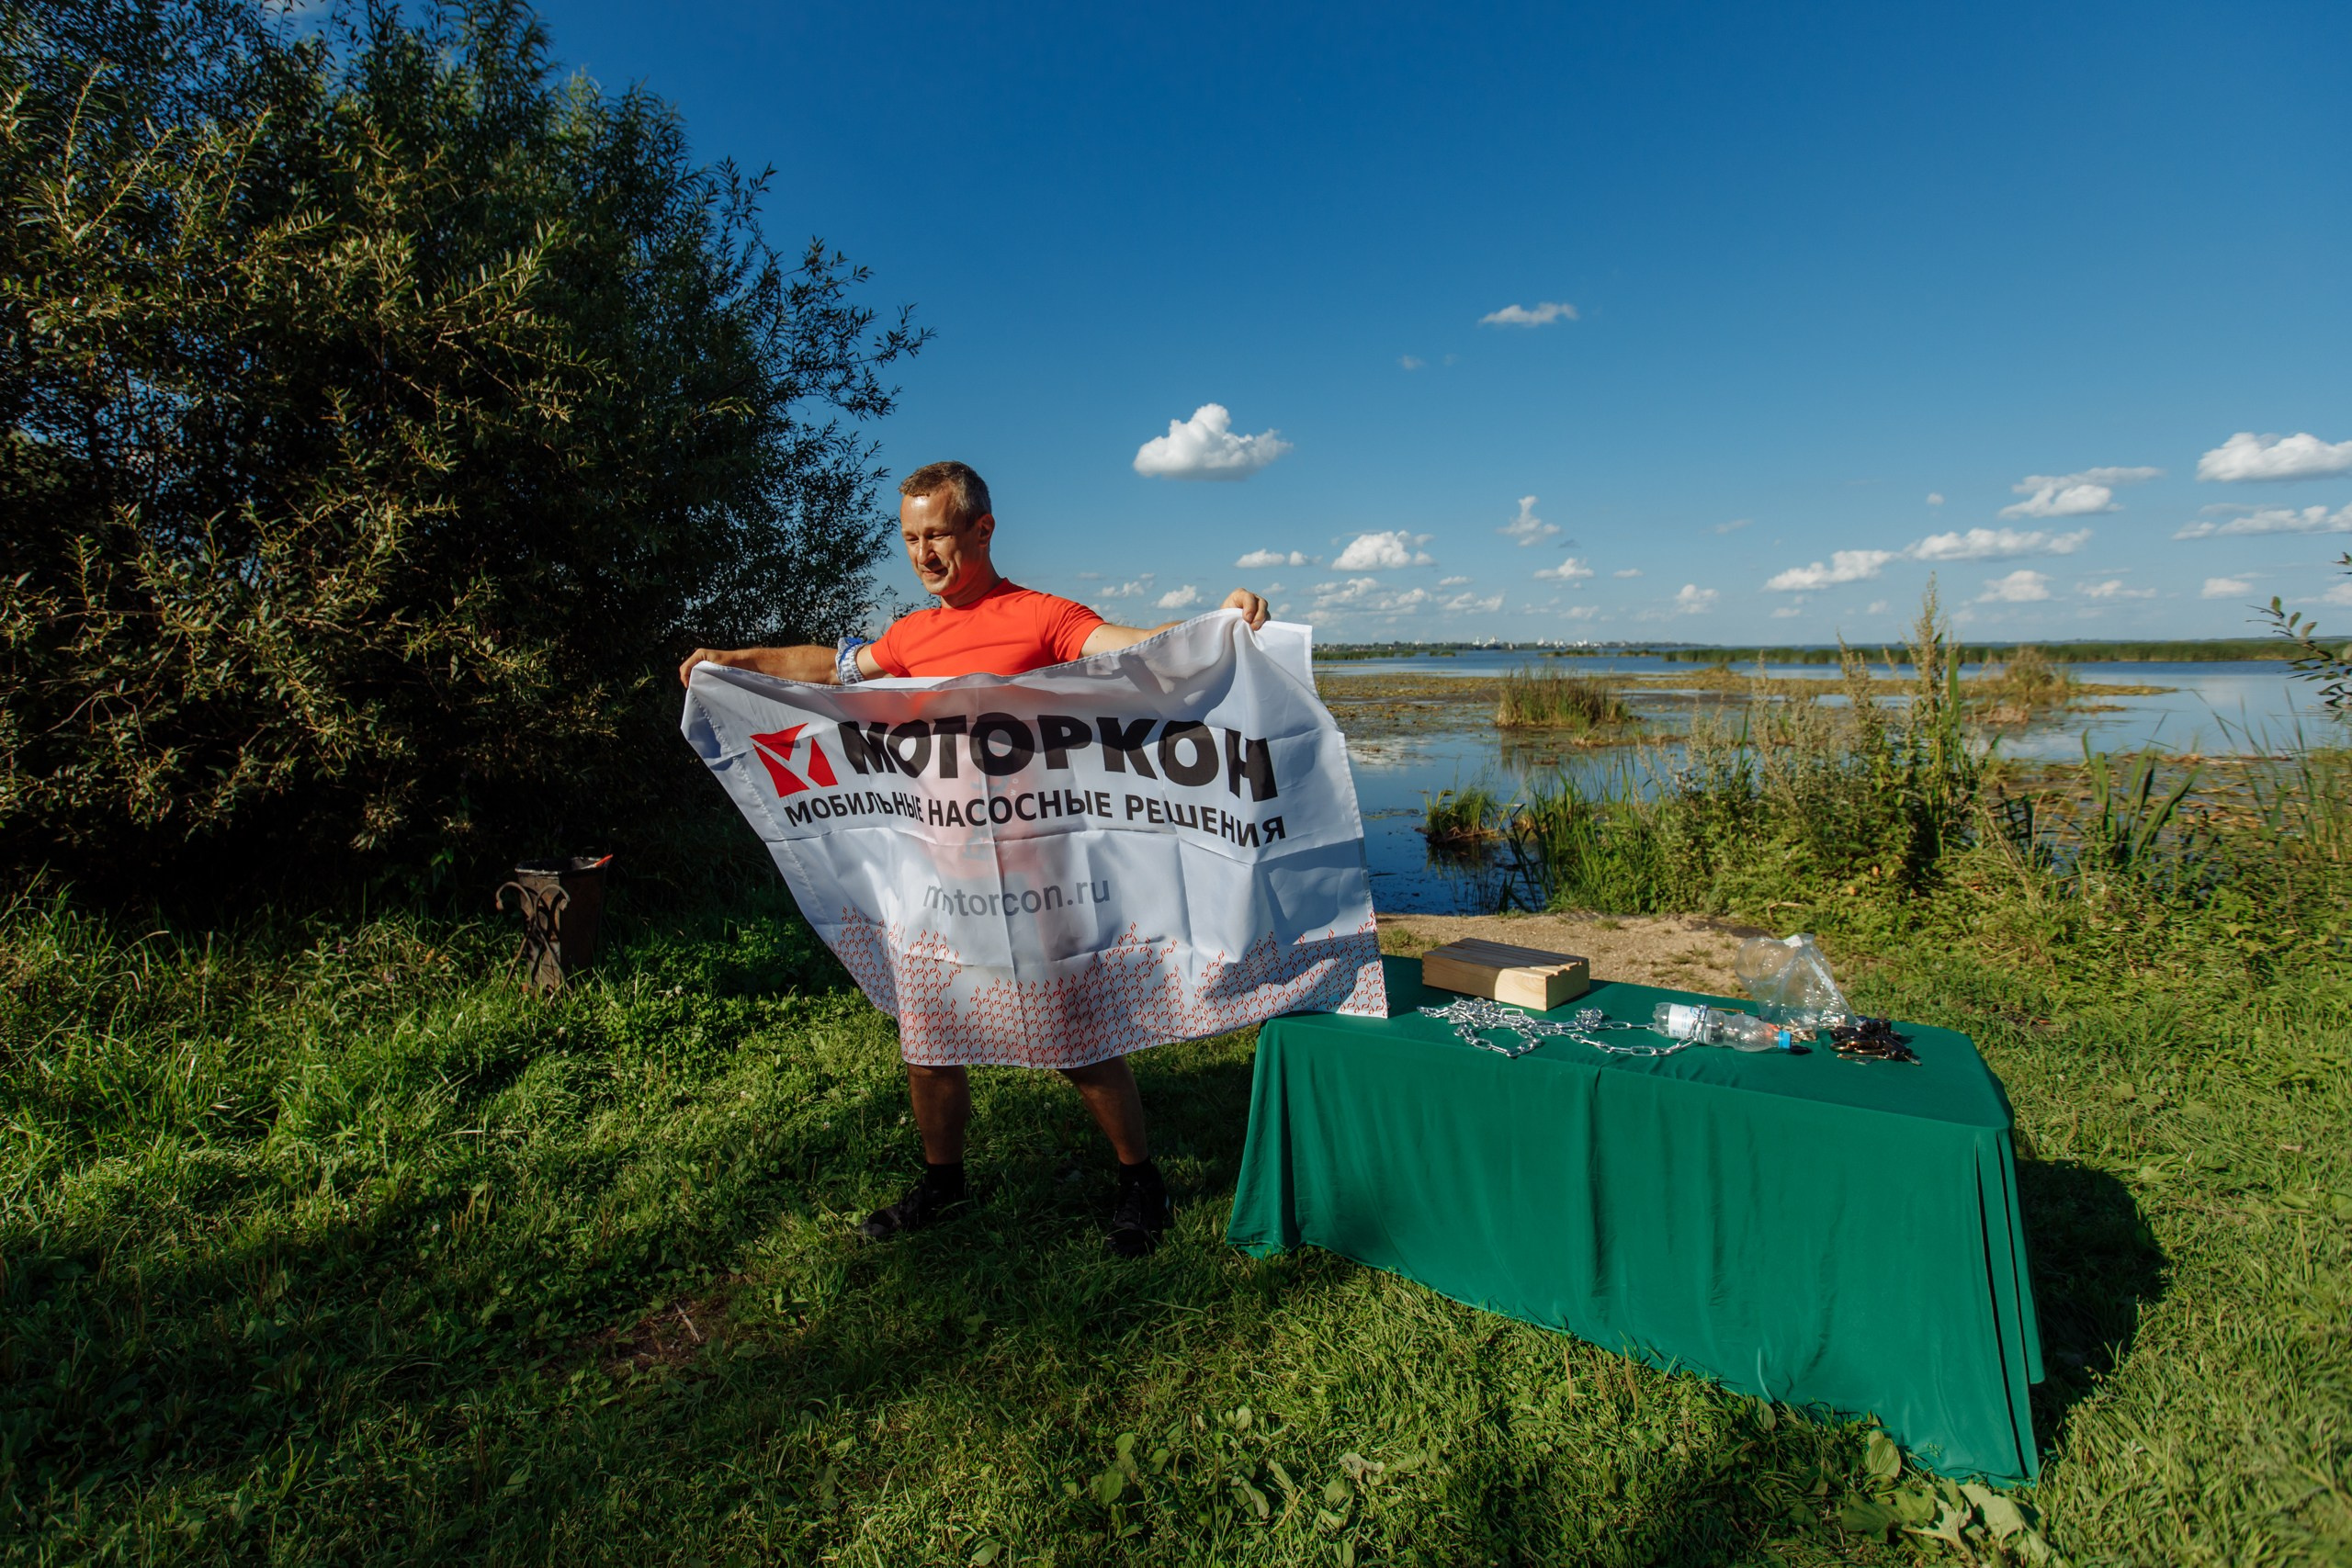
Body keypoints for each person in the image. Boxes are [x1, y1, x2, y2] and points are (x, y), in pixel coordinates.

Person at [679, 460, 1269, 1257]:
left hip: (1038, 873)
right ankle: (943, 1183)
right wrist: (742, 659)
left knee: (1079, 1039)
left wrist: (1221, 620)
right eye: (911, 538)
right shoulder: (912, 635)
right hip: (938, 871)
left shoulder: (1044, 617)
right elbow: (833, 667)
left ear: (982, 530)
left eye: (938, 535)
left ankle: (1141, 1180)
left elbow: (1144, 652)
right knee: (929, 1041)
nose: (923, 554)